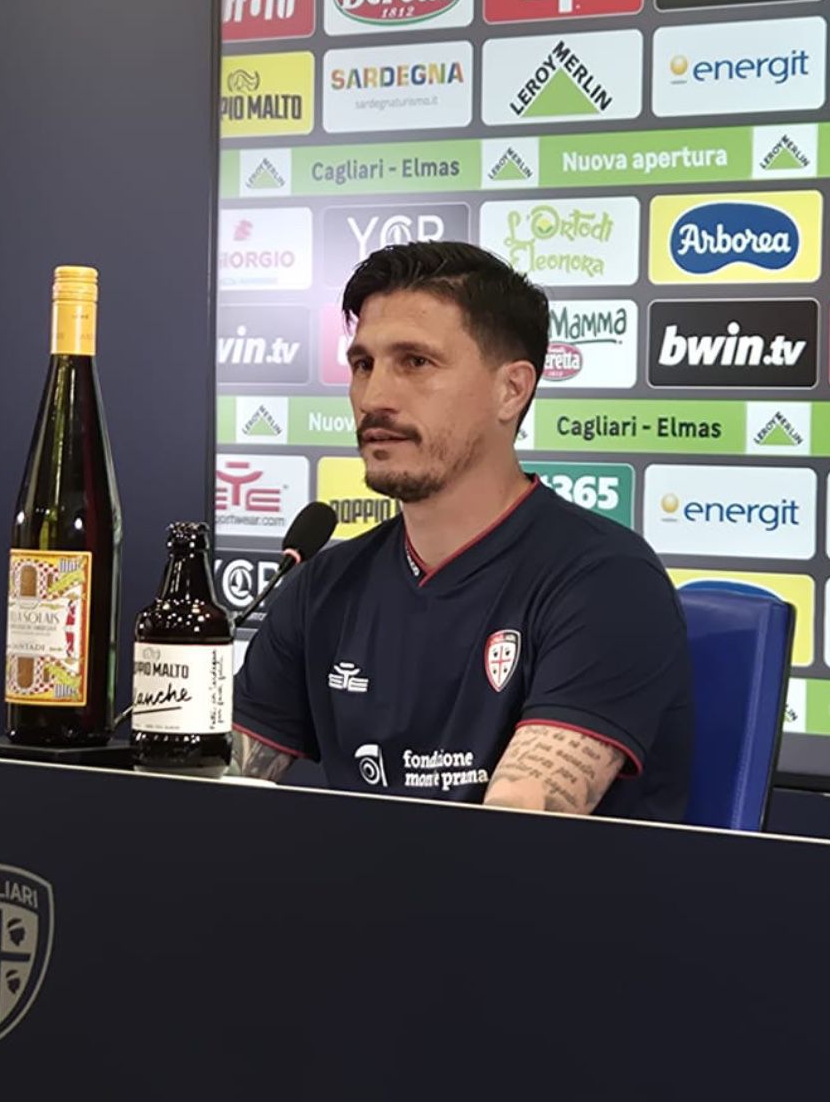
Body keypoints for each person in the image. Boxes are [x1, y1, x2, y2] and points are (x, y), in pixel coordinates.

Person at [230, 241, 694, 821]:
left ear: (511, 390)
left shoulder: (608, 582)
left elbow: (513, 835)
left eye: (415, 363)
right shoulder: (321, 585)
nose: (374, 398)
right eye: (363, 365)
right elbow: (207, 799)